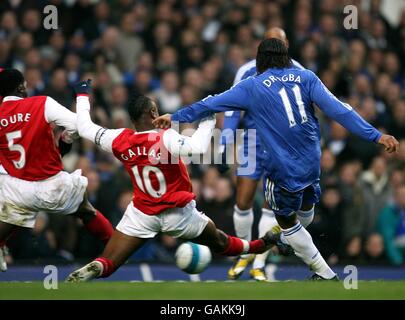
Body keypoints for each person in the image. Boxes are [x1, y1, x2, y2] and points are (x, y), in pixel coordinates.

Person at [153, 38, 399, 280]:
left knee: (286, 220)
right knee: (305, 214)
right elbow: (340, 110)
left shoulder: (252, 85)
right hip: (313, 162)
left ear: (260, 59)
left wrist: (175, 117)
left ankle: (324, 273)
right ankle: (285, 240)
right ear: (286, 57)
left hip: (283, 167)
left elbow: (210, 104)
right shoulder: (307, 77)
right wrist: (376, 135)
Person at [66, 83, 275, 282]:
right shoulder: (165, 138)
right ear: (153, 113)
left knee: (109, 262)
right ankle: (259, 245)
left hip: (142, 214)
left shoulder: (119, 139)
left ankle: (99, 266)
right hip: (177, 214)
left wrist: (83, 95)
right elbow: (198, 147)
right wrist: (208, 117)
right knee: (220, 241)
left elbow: (84, 127)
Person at [0, 69, 113, 272]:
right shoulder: (41, 103)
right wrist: (81, 100)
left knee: (11, 216)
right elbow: (79, 126)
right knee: (86, 212)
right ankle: (116, 250)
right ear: (20, 87)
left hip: (17, 188)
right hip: (52, 185)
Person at [220, 27, 304, 281]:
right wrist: (225, 144)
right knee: (243, 201)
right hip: (252, 141)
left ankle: (259, 262)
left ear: (286, 44)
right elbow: (233, 109)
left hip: (282, 145)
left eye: (279, 41)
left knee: (273, 206)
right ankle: (244, 252)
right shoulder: (246, 70)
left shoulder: (300, 73)